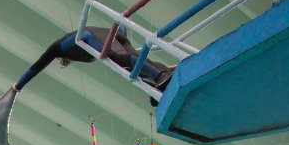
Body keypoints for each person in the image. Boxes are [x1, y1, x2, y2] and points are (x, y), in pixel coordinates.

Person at [12, 26, 175, 104]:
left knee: (120, 58)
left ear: (60, 58)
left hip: (94, 37)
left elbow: (35, 68)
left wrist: (18, 86)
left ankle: (160, 76)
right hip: (117, 35)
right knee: (134, 63)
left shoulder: (57, 48)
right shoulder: (71, 52)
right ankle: (160, 82)